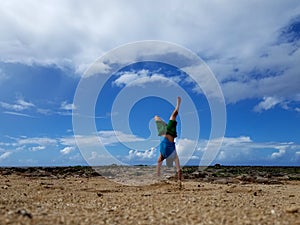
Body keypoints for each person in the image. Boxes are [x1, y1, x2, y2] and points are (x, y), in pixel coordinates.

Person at [155, 96, 182, 181]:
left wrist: (158, 176)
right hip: (168, 132)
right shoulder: (172, 156)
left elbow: (159, 166)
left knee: (156, 117)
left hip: (165, 132)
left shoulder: (165, 156)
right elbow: (179, 170)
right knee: (173, 115)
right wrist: (179, 181)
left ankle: (165, 125)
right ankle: (178, 104)